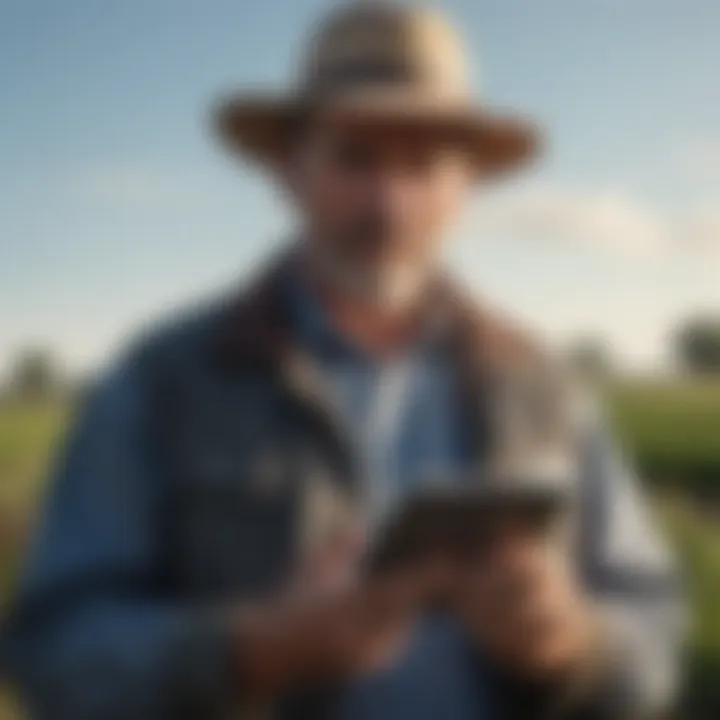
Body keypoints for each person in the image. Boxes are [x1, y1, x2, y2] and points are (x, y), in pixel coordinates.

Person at [1, 4, 682, 719]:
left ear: (465, 187)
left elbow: (652, 627)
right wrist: (251, 650)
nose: (389, 203)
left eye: (423, 165)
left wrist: (573, 647)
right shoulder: (165, 380)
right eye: (356, 159)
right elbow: (53, 653)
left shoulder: (542, 384)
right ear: (289, 170)